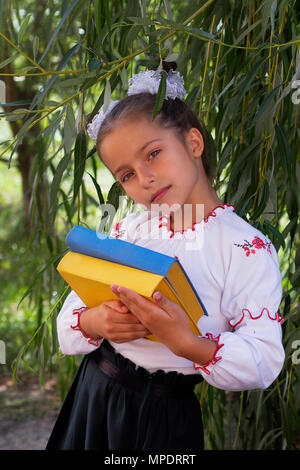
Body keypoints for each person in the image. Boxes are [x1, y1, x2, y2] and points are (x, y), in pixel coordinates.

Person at [46, 63, 285, 451]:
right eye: (126, 175)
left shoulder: (245, 249)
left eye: (153, 154)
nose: (144, 179)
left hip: (165, 419)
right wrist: (96, 320)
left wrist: (186, 342)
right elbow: (68, 319)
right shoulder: (130, 229)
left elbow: (263, 360)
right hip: (94, 395)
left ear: (193, 143)